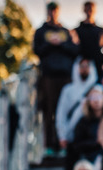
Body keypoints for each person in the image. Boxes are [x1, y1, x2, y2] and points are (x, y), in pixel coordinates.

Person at [34, 2, 80, 154]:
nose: (53, 13)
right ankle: (50, 145)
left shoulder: (66, 32)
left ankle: (65, 144)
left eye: (55, 11)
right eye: (50, 11)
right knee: (49, 111)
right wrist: (49, 44)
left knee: (66, 110)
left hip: (65, 76)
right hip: (48, 76)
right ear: (47, 12)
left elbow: (75, 50)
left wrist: (60, 44)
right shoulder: (41, 32)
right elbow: (37, 50)